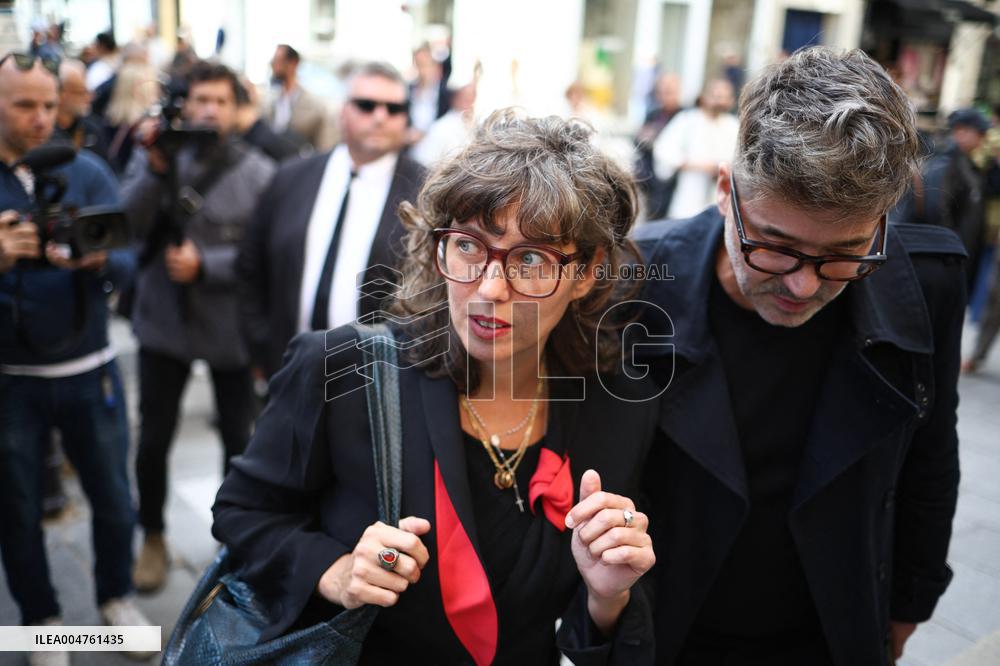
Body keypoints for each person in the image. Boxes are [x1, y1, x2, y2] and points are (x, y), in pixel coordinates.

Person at [213, 109, 658, 663]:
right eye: (469, 245)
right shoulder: (342, 369)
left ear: (586, 272)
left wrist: (607, 596)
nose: (491, 288)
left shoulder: (614, 404)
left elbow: (594, 634)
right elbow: (243, 513)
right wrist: (337, 571)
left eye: (532, 258)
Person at [635, 47, 965, 665]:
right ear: (725, 189)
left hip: (831, 634)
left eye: (844, 254)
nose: (802, 285)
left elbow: (930, 460)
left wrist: (907, 608)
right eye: (774, 247)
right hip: (668, 633)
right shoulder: (635, 277)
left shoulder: (924, 285)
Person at [0, 52, 147, 666]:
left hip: (90, 367)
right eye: (23, 104)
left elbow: (127, 261)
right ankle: (42, 625)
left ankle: (116, 601)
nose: (41, 119)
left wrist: (96, 260)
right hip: (11, 378)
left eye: (48, 104)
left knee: (114, 496)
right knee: (18, 509)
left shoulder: (86, 170)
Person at [121, 61, 276, 593]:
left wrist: (207, 263)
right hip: (163, 322)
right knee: (153, 439)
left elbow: (264, 254)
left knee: (239, 439)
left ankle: (237, 538)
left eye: (220, 101)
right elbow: (127, 222)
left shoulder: (258, 171)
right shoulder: (160, 156)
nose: (208, 110)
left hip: (227, 326)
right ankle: (153, 535)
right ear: (185, 104)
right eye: (200, 99)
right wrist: (156, 169)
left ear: (237, 109)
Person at [237, 61, 424, 380]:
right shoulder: (292, 177)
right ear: (343, 111)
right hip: (290, 368)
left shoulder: (424, 191)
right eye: (366, 105)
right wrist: (262, 349)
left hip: (381, 378)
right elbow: (251, 266)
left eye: (394, 108)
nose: (380, 117)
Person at [652, 78, 738, 219]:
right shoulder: (687, 120)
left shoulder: (733, 125)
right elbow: (663, 150)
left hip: (719, 200)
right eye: (716, 96)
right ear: (704, 97)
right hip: (687, 196)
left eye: (724, 97)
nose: (720, 102)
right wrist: (694, 165)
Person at [264, 44, 337, 153]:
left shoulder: (315, 106)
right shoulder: (270, 101)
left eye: (277, 60)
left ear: (293, 63)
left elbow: (324, 147)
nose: (273, 65)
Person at [635, 73, 682, 220]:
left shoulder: (685, 115)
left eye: (669, 91)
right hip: (650, 179)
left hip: (674, 180)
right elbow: (639, 140)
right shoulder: (652, 113)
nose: (664, 96)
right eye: (661, 92)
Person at [52, 59, 110, 164]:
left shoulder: (92, 129)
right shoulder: (43, 130)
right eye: (81, 92)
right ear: (60, 94)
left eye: (88, 92)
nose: (89, 98)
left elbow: (109, 168)